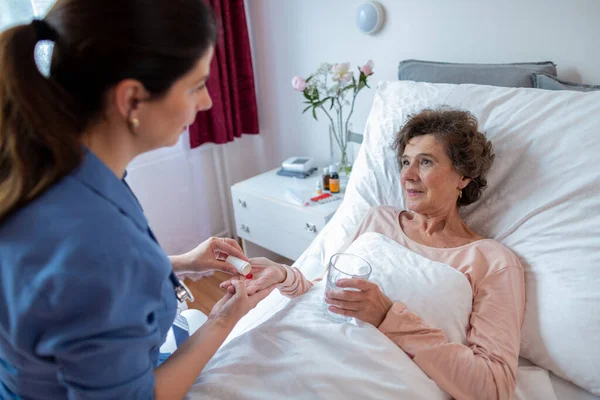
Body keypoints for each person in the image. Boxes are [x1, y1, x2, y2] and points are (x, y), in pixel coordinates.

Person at [0, 1, 276, 399]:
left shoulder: (50, 163)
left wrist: (182, 264)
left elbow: (64, 291)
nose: (208, 103)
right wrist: (223, 320)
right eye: (196, 85)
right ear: (131, 99)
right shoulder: (101, 249)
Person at [222, 108, 526, 400]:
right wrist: (284, 276)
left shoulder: (491, 260)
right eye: (405, 162)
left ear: (463, 176)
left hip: (367, 379)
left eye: (426, 162)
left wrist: (386, 315)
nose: (407, 175)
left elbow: (494, 388)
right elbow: (324, 290)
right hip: (296, 347)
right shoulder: (378, 219)